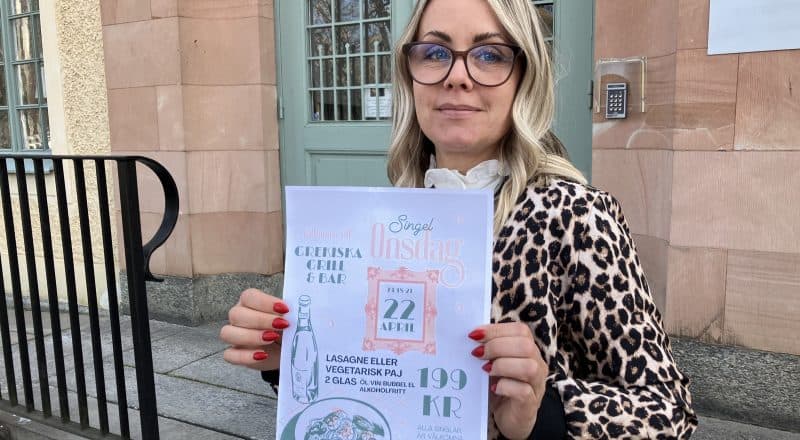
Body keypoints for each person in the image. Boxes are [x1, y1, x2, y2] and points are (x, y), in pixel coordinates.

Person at [220, 0, 698, 438]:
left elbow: (668, 411)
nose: (457, 77)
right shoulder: (390, 219)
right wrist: (285, 358)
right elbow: (370, 397)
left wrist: (540, 414)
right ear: (410, 75)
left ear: (524, 77)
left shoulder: (576, 215)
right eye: (435, 52)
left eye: (490, 55)